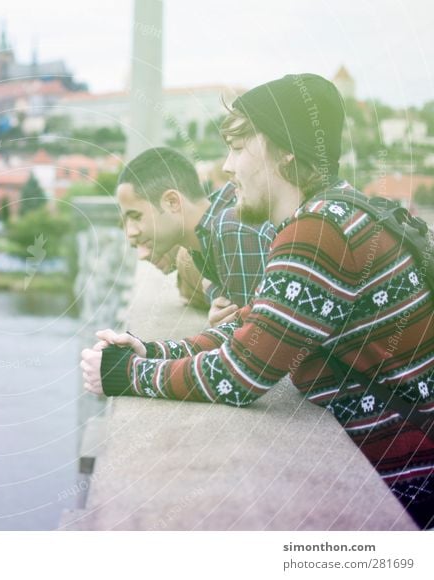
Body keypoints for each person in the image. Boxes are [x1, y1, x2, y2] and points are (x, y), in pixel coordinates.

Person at [81, 73, 434, 530]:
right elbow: (251, 326)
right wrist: (151, 349)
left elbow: (241, 375)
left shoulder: (319, 232)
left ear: (284, 151)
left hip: (405, 488)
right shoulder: (335, 211)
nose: (226, 167)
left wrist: (124, 374)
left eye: (239, 146)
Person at [116, 147, 275, 325]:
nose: (130, 232)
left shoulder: (232, 228)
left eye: (136, 216)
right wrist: (214, 292)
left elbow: (252, 338)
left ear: (172, 202)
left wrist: (226, 326)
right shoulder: (202, 242)